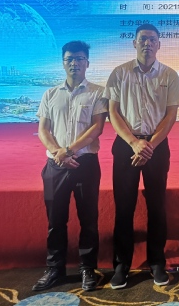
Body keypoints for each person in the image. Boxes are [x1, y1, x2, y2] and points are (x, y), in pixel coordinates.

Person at [104, 24, 179, 289]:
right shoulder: (120, 73)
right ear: (134, 43)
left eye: (152, 40)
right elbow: (113, 112)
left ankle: (157, 262)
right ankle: (121, 265)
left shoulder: (169, 75)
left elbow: (171, 115)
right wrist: (133, 142)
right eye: (143, 39)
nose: (147, 44)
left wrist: (149, 145)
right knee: (124, 206)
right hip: (126, 144)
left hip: (156, 146)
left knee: (157, 206)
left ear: (159, 44)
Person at [33, 41, 108, 292]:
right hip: (55, 165)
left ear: (87, 62)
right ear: (63, 63)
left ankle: (88, 267)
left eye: (79, 59)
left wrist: (69, 151)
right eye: (69, 59)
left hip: (85, 163)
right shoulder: (50, 94)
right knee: (55, 220)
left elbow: (97, 128)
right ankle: (55, 268)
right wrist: (59, 153)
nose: (74, 63)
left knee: (89, 219)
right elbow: (43, 130)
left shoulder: (98, 92)